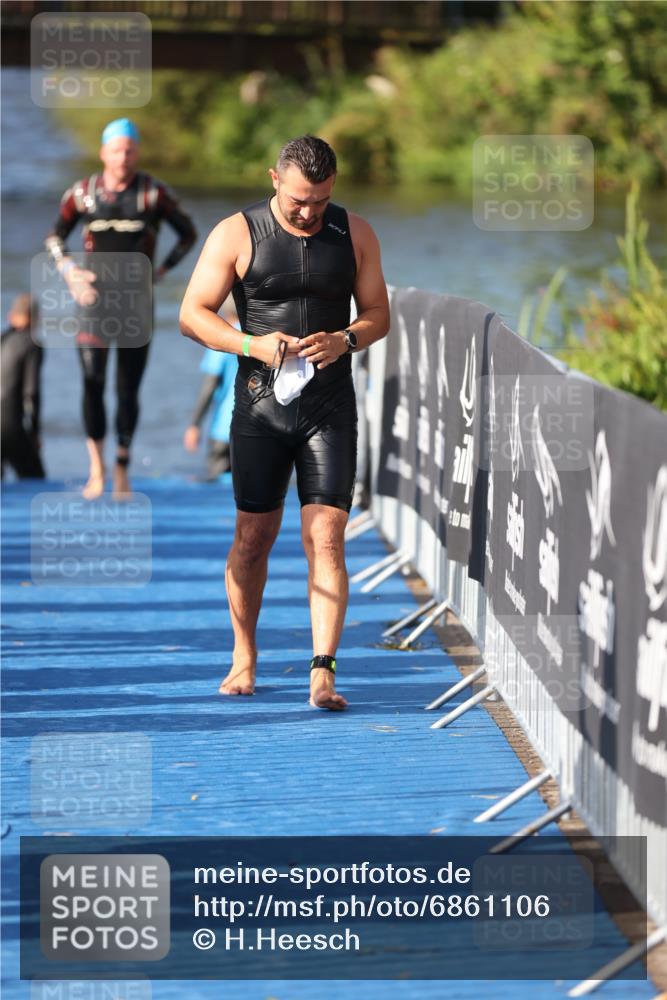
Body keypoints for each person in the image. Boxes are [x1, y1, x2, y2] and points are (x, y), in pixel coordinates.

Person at [180, 135, 390, 711]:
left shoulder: (356, 233)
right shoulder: (236, 232)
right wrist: (250, 341)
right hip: (260, 407)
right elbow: (191, 315)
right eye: (299, 199)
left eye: (319, 202)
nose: (308, 211)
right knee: (253, 539)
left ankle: (323, 671)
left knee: (326, 536)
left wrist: (345, 338)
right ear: (274, 179)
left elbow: (378, 315)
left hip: (329, 406)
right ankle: (244, 654)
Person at [45, 118, 197, 499]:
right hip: (93, 303)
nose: (123, 156)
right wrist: (70, 272)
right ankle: (96, 468)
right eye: (116, 149)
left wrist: (160, 272)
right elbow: (54, 237)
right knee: (92, 383)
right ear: (103, 153)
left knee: (128, 389)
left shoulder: (152, 194)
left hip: (135, 305)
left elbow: (189, 234)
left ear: (137, 152)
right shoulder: (83, 194)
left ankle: (122, 467)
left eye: (129, 149)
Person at [184, 301, 239, 481]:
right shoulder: (261, 338)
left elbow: (209, 385)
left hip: (224, 429)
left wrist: (195, 425)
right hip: (259, 427)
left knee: (219, 488)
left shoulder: (223, 339)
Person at [1, 294, 45, 480]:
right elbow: (32, 392)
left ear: (12, 316)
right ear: (32, 318)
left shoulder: (3, 340)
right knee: (36, 480)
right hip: (9, 425)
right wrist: (34, 433)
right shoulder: (31, 344)